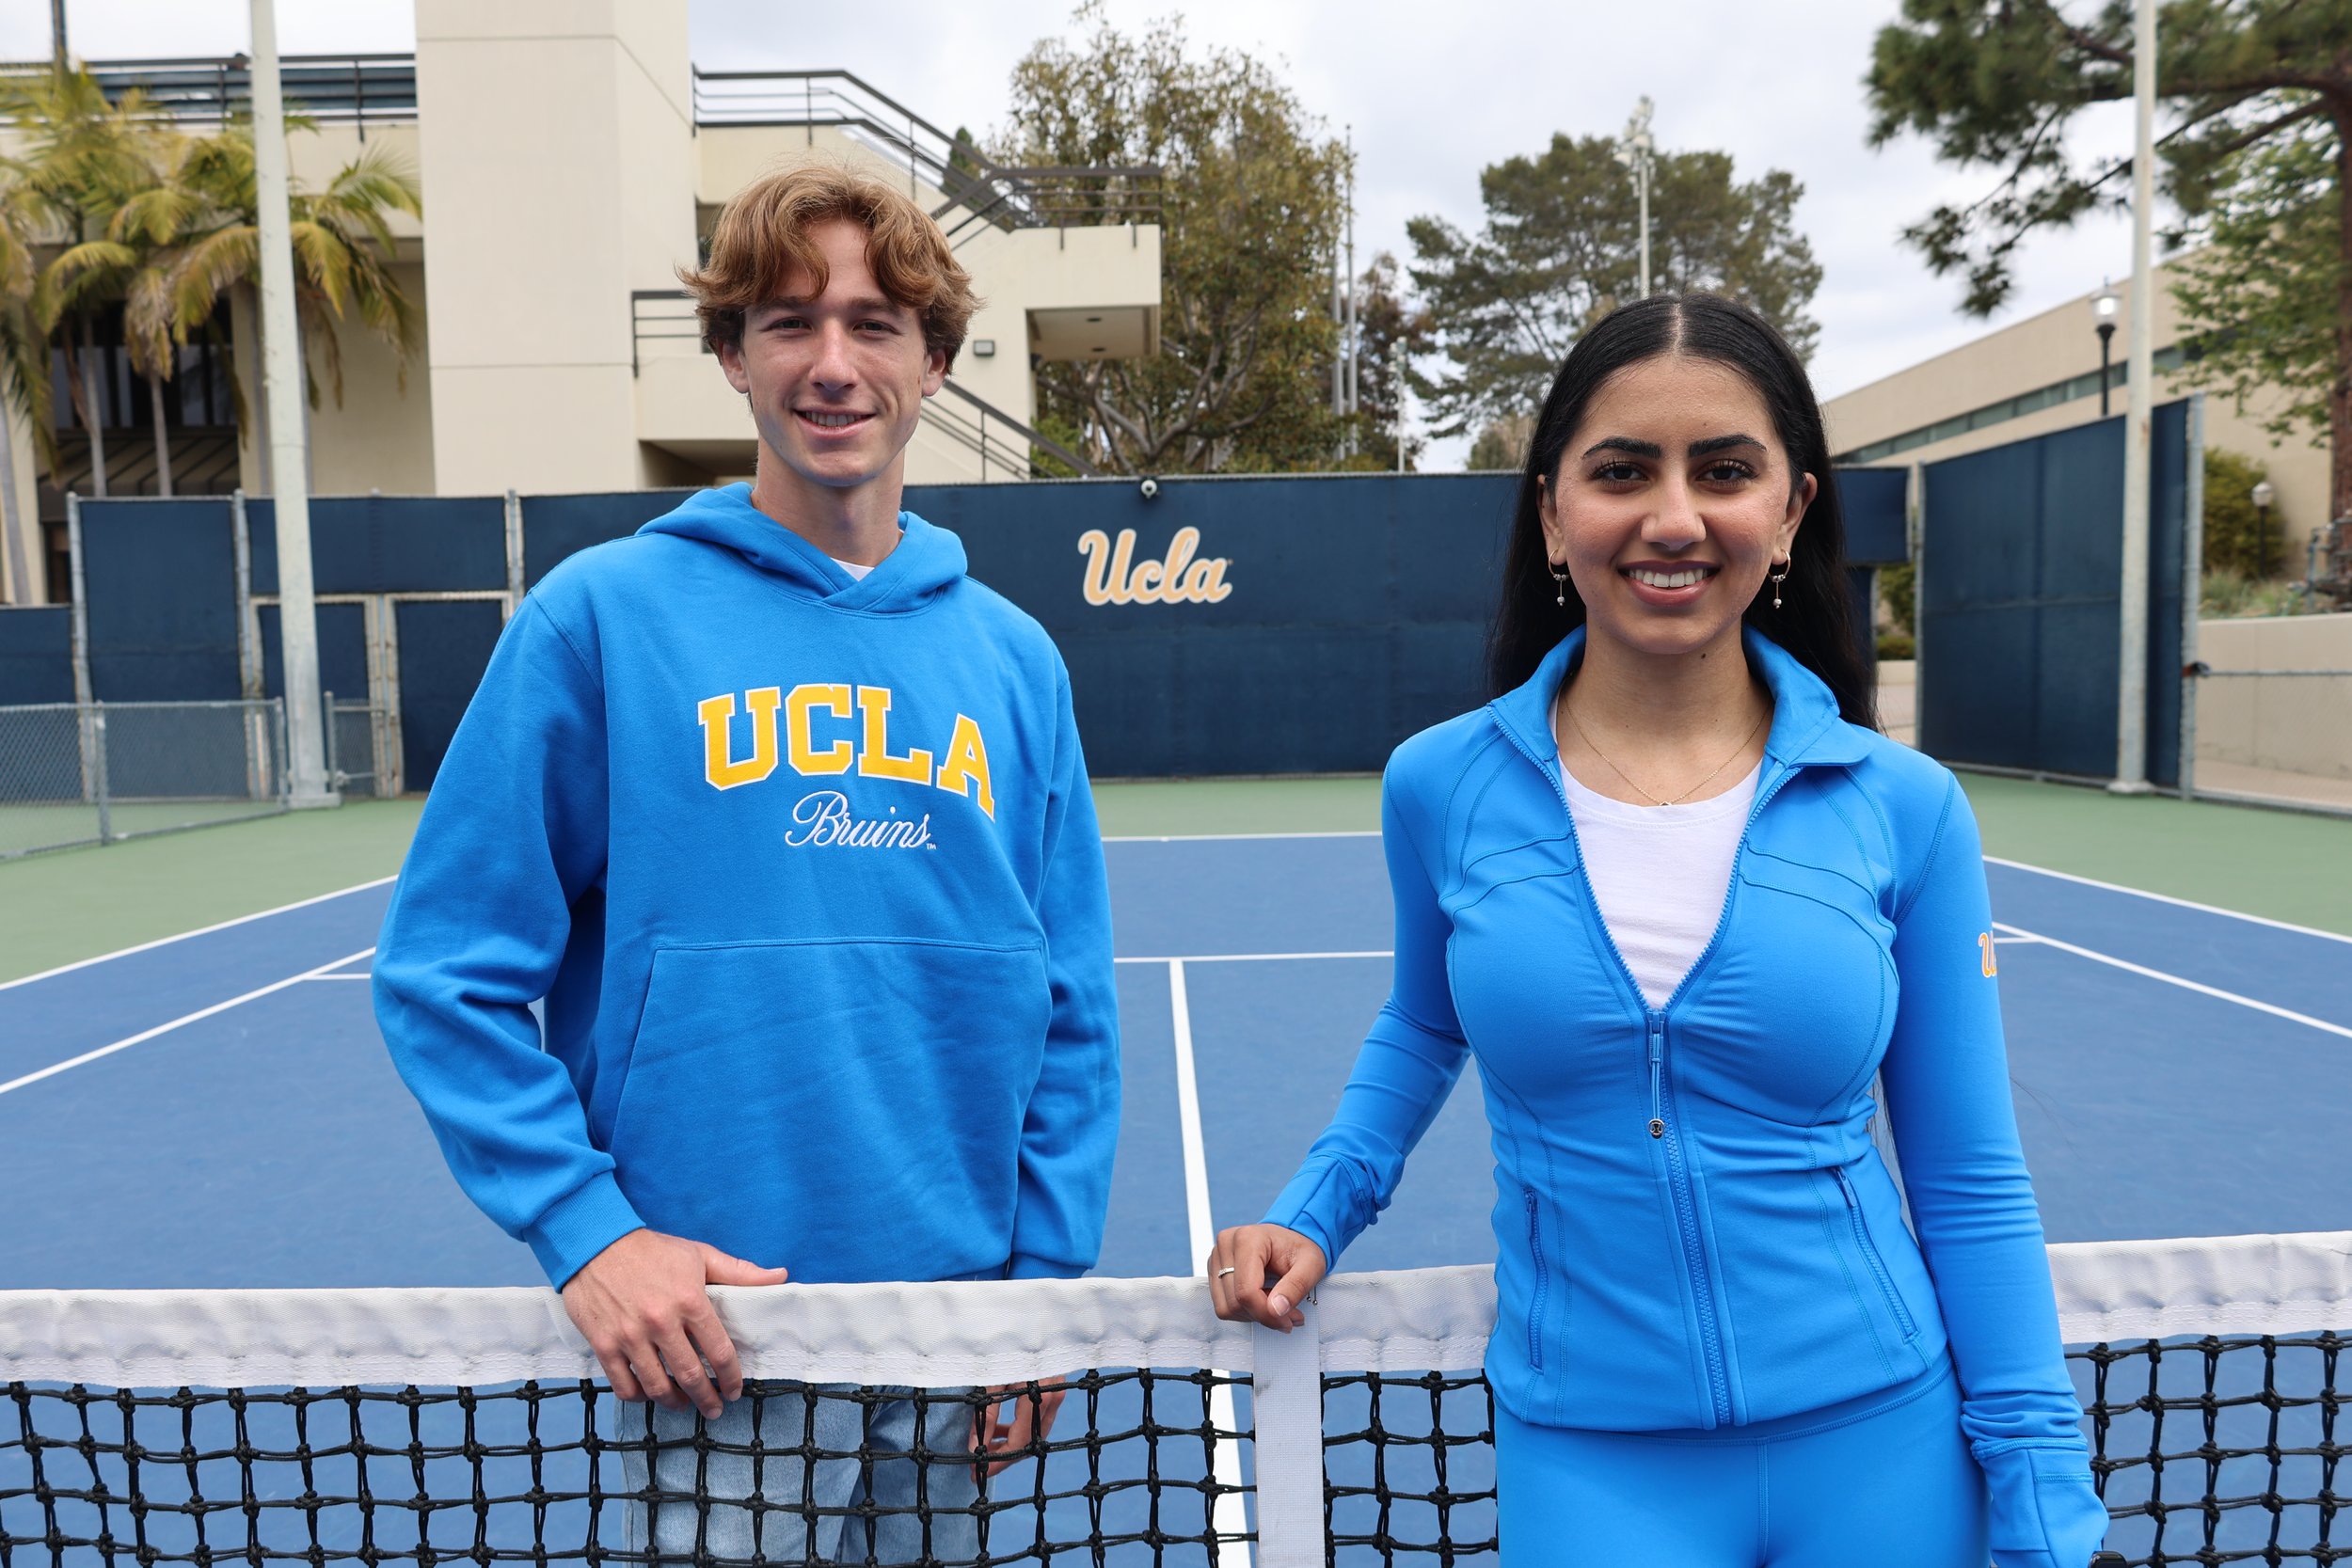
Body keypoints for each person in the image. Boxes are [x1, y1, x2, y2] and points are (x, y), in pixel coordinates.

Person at [1209, 293, 2108, 1568]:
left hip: (1887, 1442)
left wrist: (2043, 1493)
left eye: (1725, 472)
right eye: (1623, 471)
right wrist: (1316, 1207)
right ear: (1551, 511)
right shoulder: (1438, 785)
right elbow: (1421, 1025)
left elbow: (1968, 1178)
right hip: (1592, 1455)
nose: (1674, 517)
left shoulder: (1908, 808)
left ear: (1791, 511)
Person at [373, 163, 1120, 1564]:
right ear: (731, 353)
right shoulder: (600, 619)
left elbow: (1068, 998)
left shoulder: (1016, 661)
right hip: (714, 1343)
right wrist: (589, 1231)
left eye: (875, 324)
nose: (833, 364)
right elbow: (441, 971)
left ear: (935, 361)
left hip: (956, 1333)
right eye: (789, 322)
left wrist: (1045, 1283)